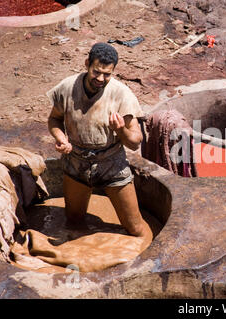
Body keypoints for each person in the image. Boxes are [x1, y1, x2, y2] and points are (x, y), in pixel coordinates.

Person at [47, 42, 151, 238]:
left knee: (136, 229)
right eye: (97, 72)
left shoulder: (122, 95)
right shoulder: (67, 88)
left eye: (107, 74)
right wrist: (61, 138)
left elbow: (135, 142)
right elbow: (54, 119)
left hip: (111, 163)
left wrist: (120, 130)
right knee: (74, 222)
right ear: (87, 64)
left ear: (113, 72)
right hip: (76, 159)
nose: (101, 79)